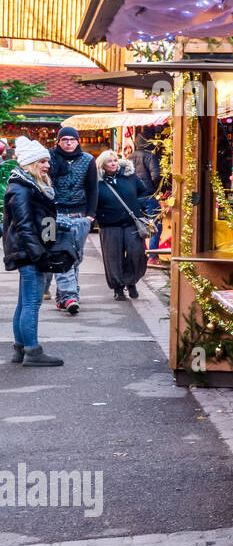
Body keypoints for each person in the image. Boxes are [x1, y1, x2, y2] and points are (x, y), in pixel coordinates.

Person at [2, 137, 63, 366]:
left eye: (47, 161)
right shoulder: (22, 188)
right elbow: (24, 225)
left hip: (28, 249)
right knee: (31, 303)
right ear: (30, 163)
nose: (47, 165)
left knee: (24, 302)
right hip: (29, 251)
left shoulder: (27, 185)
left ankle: (20, 350)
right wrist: (40, 254)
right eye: (42, 161)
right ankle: (33, 352)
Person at [47, 126, 97, 314]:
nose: (68, 142)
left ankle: (64, 298)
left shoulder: (87, 160)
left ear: (78, 141)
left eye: (72, 139)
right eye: (64, 139)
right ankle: (70, 296)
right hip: (55, 214)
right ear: (58, 141)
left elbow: (93, 189)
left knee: (74, 257)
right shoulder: (50, 158)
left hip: (79, 214)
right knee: (59, 254)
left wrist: (91, 215)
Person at [94, 150, 149, 300]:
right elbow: (92, 200)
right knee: (113, 257)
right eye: (109, 161)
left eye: (115, 160)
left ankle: (131, 282)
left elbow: (143, 192)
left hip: (132, 223)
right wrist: (98, 215)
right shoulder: (97, 181)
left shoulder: (129, 176)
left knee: (136, 253)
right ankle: (118, 288)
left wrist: (139, 207)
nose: (113, 164)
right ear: (102, 165)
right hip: (109, 224)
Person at [131, 130, 164, 261]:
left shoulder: (130, 157)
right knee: (156, 224)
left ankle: (141, 254)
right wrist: (157, 188)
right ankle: (153, 256)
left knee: (139, 225)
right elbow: (156, 175)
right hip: (149, 195)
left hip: (134, 196)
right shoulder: (150, 156)